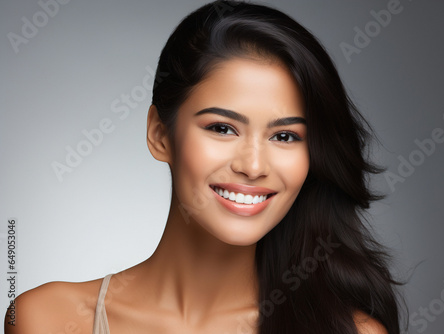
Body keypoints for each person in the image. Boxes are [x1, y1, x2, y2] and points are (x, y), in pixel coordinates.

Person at [5, 1, 403, 333]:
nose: (252, 165)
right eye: (222, 128)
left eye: (284, 136)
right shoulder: (44, 319)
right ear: (160, 135)